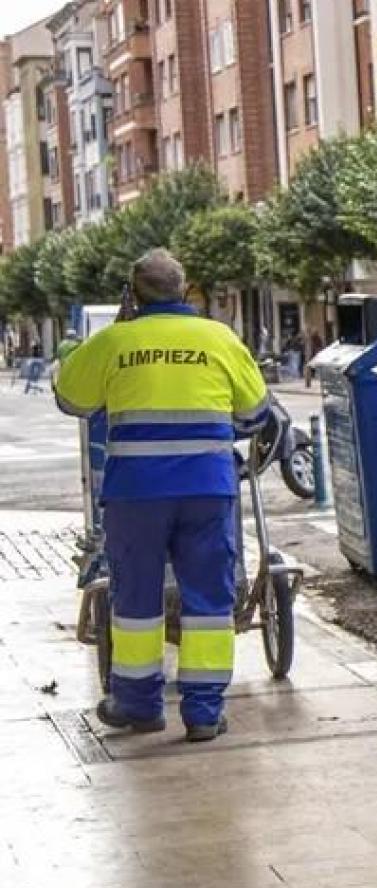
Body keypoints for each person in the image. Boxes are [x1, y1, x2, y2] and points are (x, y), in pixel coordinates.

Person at [54, 249, 278, 743]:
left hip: (136, 492)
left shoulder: (116, 341)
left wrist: (111, 333)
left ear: (132, 296)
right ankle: (202, 712)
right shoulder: (218, 338)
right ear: (185, 290)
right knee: (209, 600)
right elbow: (256, 410)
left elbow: (71, 397)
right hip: (206, 488)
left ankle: (138, 705)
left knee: (135, 597)